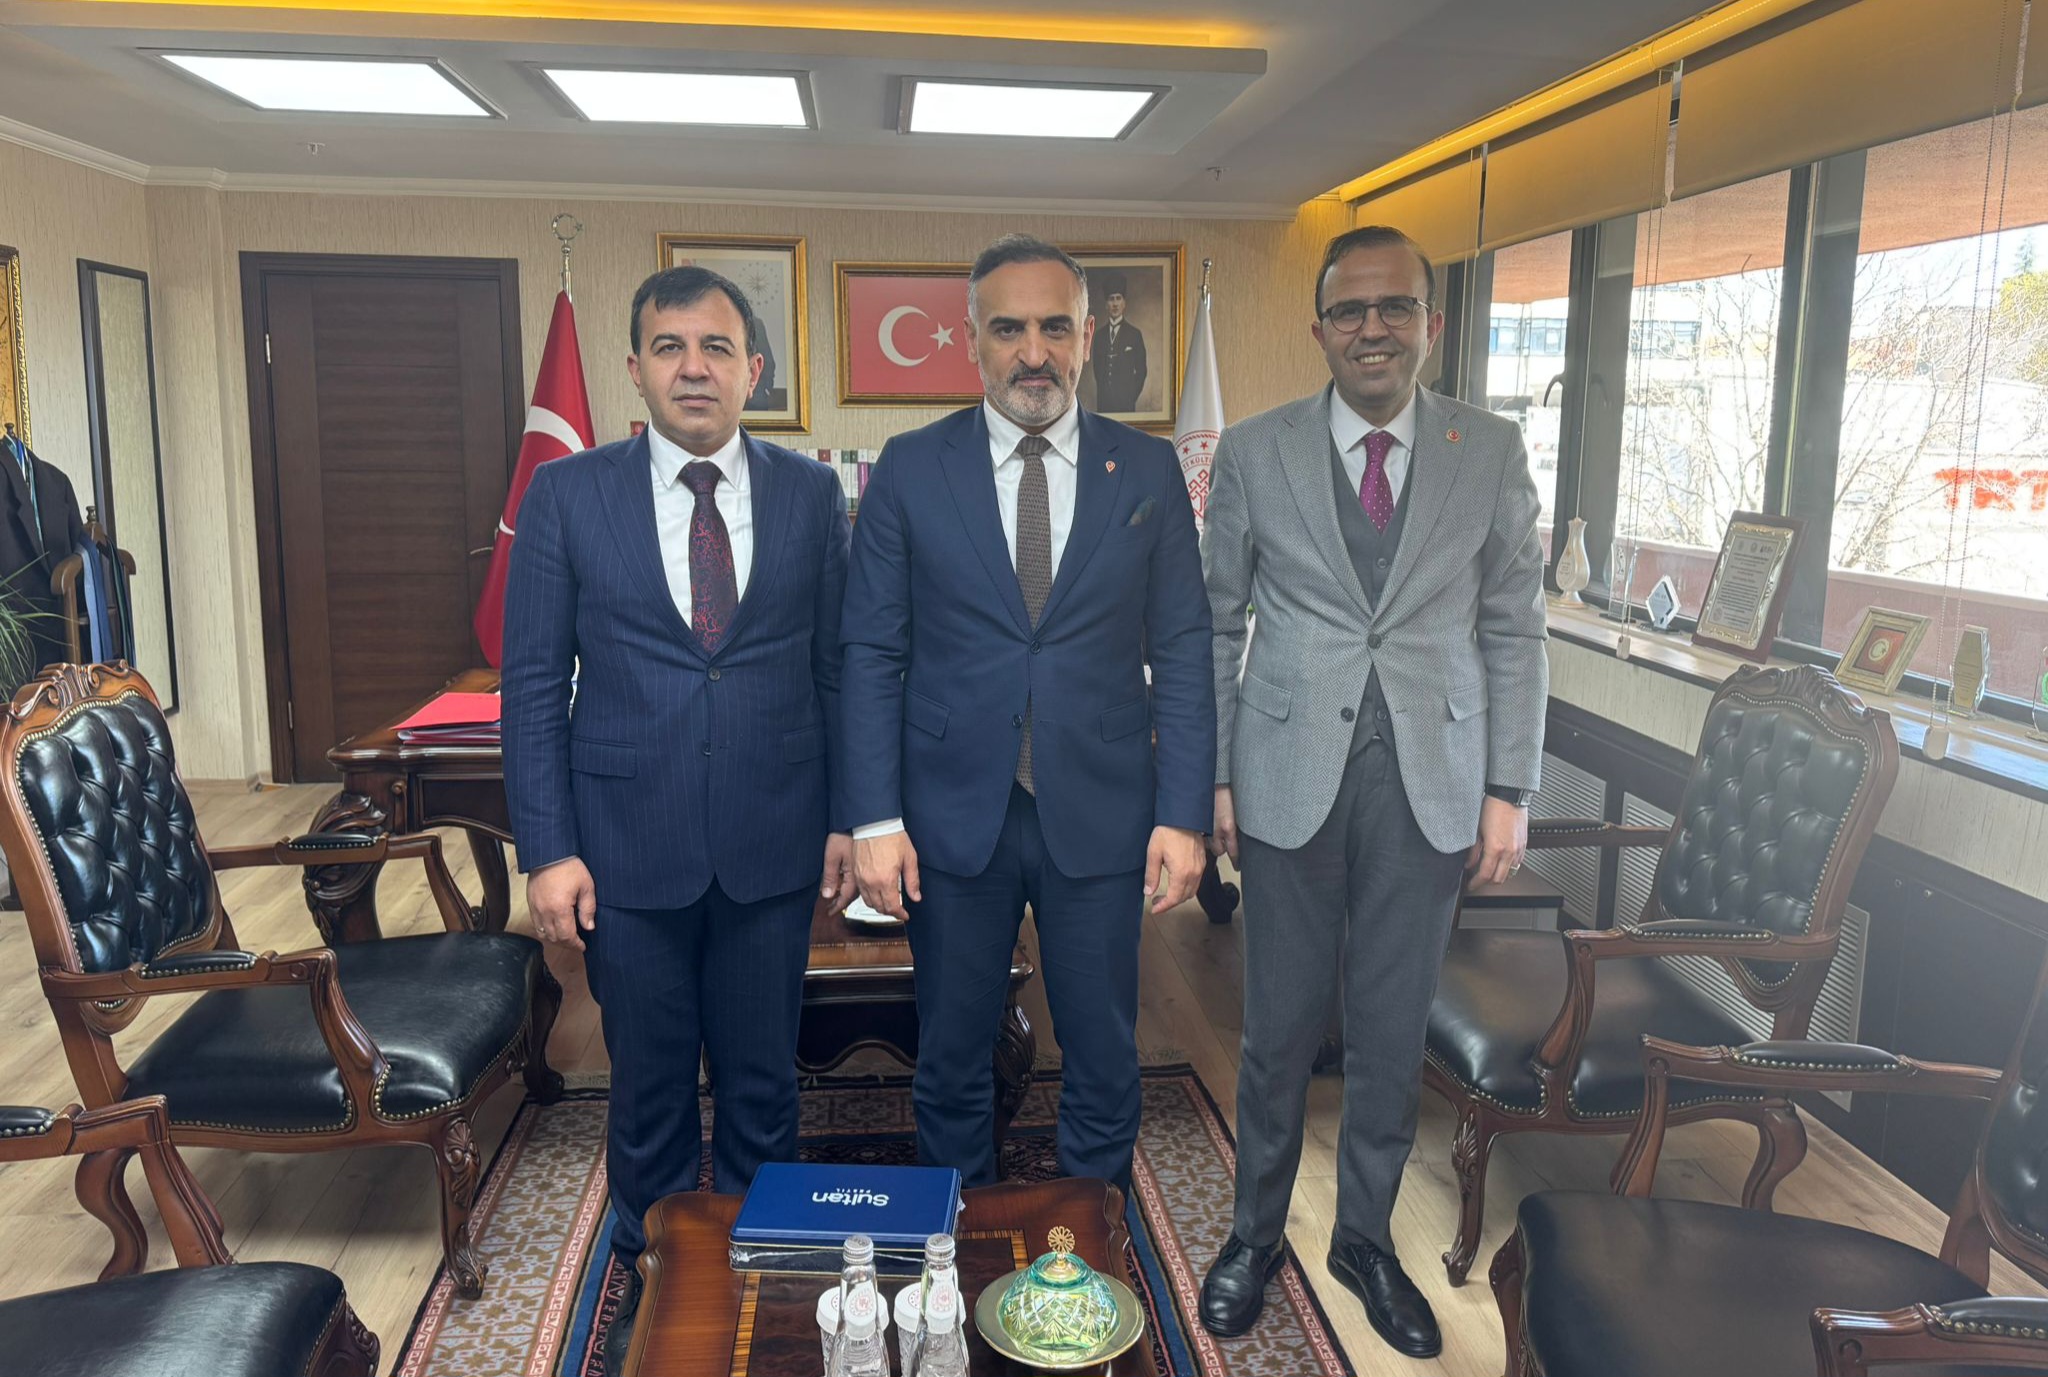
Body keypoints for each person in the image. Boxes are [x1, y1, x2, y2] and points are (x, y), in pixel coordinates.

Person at [1196, 226, 1547, 1356]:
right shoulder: (1255, 451)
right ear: (1319, 329)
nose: (1372, 329)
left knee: (1392, 1031)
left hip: (1433, 783)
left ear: (1430, 323)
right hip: (1285, 775)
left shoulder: (1489, 450)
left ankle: (1363, 1240)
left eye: (1395, 307)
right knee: (1279, 1027)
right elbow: (1216, 621)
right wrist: (1213, 773)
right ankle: (1253, 1234)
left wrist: (1509, 785)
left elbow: (1514, 626)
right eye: (1349, 310)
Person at [501, 265, 853, 1376]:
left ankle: (762, 1281)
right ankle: (651, 1281)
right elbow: (530, 685)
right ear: (635, 369)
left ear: (754, 369)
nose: (693, 368)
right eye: (669, 347)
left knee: (762, 1083)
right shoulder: (569, 495)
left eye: (715, 348)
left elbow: (836, 669)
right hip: (625, 846)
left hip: (771, 840)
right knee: (648, 1090)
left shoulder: (810, 496)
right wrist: (549, 848)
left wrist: (848, 817)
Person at [840, 234, 1214, 1192]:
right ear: (971, 339)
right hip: (950, 813)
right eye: (1009, 329)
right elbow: (872, 652)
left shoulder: (1147, 470)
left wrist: (1183, 813)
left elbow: (1182, 648)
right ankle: (956, 1241)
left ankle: (1088, 1239)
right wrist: (873, 818)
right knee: (951, 1053)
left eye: (1055, 327)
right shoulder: (910, 468)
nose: (1033, 353)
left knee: (1103, 1050)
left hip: (1103, 807)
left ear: (1087, 337)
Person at [0, 423, 90, 673]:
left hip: (60, 652)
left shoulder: (58, 483)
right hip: (18, 657)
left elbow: (80, 571)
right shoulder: (56, 481)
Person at [1089, 278, 1147, 413]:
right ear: (1106, 305)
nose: (1115, 304)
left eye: (1118, 298)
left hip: (1126, 406)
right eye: (1111, 299)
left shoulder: (1135, 334)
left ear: (1124, 303)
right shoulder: (1099, 336)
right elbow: (1097, 371)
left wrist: (1130, 398)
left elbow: (1142, 371)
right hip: (1104, 406)